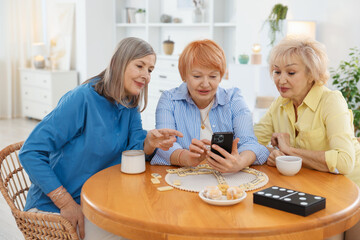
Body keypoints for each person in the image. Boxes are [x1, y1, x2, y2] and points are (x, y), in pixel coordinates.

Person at [19, 37, 182, 240]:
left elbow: (134, 149)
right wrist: (67, 204)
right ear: (118, 63)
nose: (146, 75)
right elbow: (30, 152)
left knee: (155, 228)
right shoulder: (82, 98)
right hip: (55, 210)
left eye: (150, 70)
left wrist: (148, 143)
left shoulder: (129, 103)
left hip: (97, 204)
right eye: (139, 66)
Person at [253, 35, 360, 240]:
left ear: (312, 74)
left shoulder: (331, 101)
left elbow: (344, 162)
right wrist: (272, 153)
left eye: (291, 72)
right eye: (276, 71)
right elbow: (253, 140)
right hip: (311, 189)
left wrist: (290, 151)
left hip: (351, 190)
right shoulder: (280, 104)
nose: (281, 79)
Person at [150, 39, 269, 172]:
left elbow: (249, 142)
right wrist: (186, 158)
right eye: (197, 76)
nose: (205, 84)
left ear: (221, 76)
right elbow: (163, 144)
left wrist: (239, 162)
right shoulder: (169, 100)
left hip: (226, 178)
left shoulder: (234, 99)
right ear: (184, 75)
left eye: (213, 76)